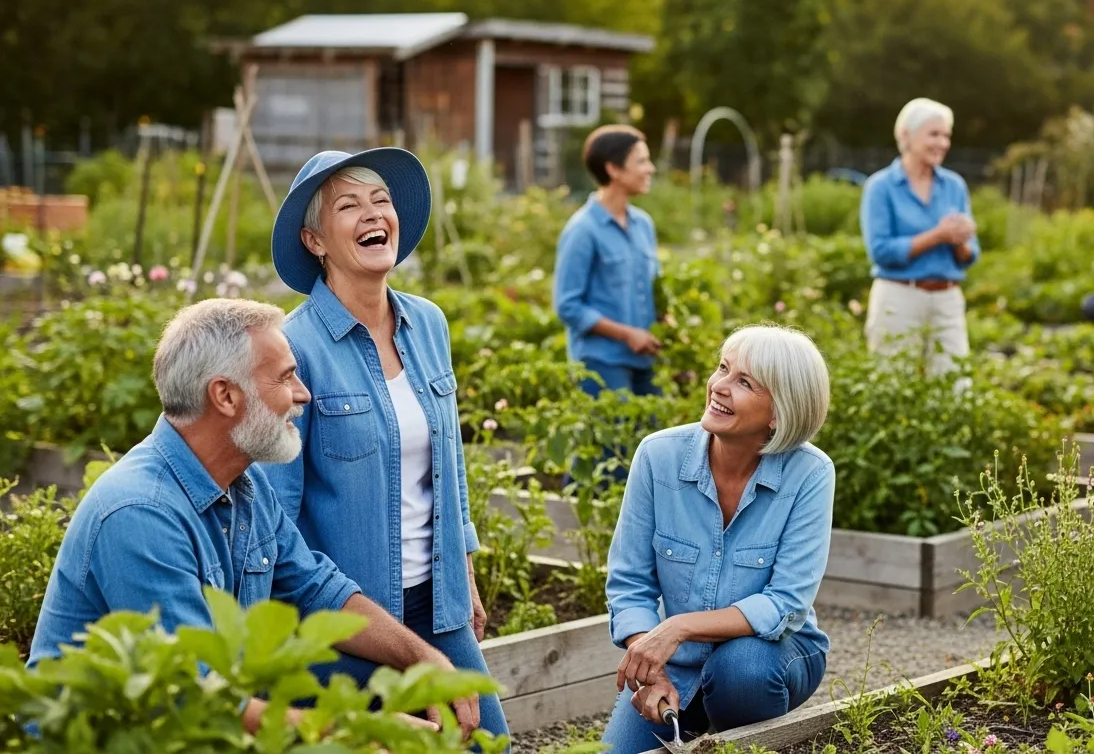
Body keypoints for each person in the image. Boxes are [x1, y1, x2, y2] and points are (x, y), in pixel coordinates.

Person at [27, 298, 479, 738]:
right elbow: (193, 697)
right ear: (225, 395)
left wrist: (426, 660)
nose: (303, 394)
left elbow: (317, 589)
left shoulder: (244, 482)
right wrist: (360, 731)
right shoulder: (141, 514)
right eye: (285, 378)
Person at [261, 148, 509, 742]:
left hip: (438, 603)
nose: (373, 214)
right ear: (315, 240)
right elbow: (275, 517)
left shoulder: (428, 324)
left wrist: (465, 572)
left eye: (381, 201)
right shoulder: (294, 348)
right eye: (348, 205)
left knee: (489, 740)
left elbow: (448, 466)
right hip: (348, 619)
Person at [601, 325, 835, 753]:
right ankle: (696, 720)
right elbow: (629, 583)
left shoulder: (810, 474)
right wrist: (651, 667)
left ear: (779, 412)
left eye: (744, 382)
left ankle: (734, 740)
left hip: (773, 656)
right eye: (723, 369)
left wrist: (678, 627)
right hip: (678, 667)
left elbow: (786, 603)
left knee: (740, 670)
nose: (718, 387)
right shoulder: (658, 456)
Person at [859, 97, 981, 377]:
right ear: (906, 135)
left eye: (947, 136)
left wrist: (960, 240)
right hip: (899, 296)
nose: (943, 143)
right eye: (934, 134)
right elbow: (881, 251)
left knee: (955, 383)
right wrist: (938, 235)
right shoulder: (880, 187)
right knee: (892, 379)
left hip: (948, 297)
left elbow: (970, 255)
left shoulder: (954, 185)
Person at [553, 124, 663, 399]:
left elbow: (655, 289)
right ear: (613, 169)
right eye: (641, 161)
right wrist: (628, 334)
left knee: (656, 437)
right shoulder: (583, 229)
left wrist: (669, 322)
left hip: (646, 359)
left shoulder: (643, 225)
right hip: (602, 362)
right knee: (619, 441)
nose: (650, 169)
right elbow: (568, 305)